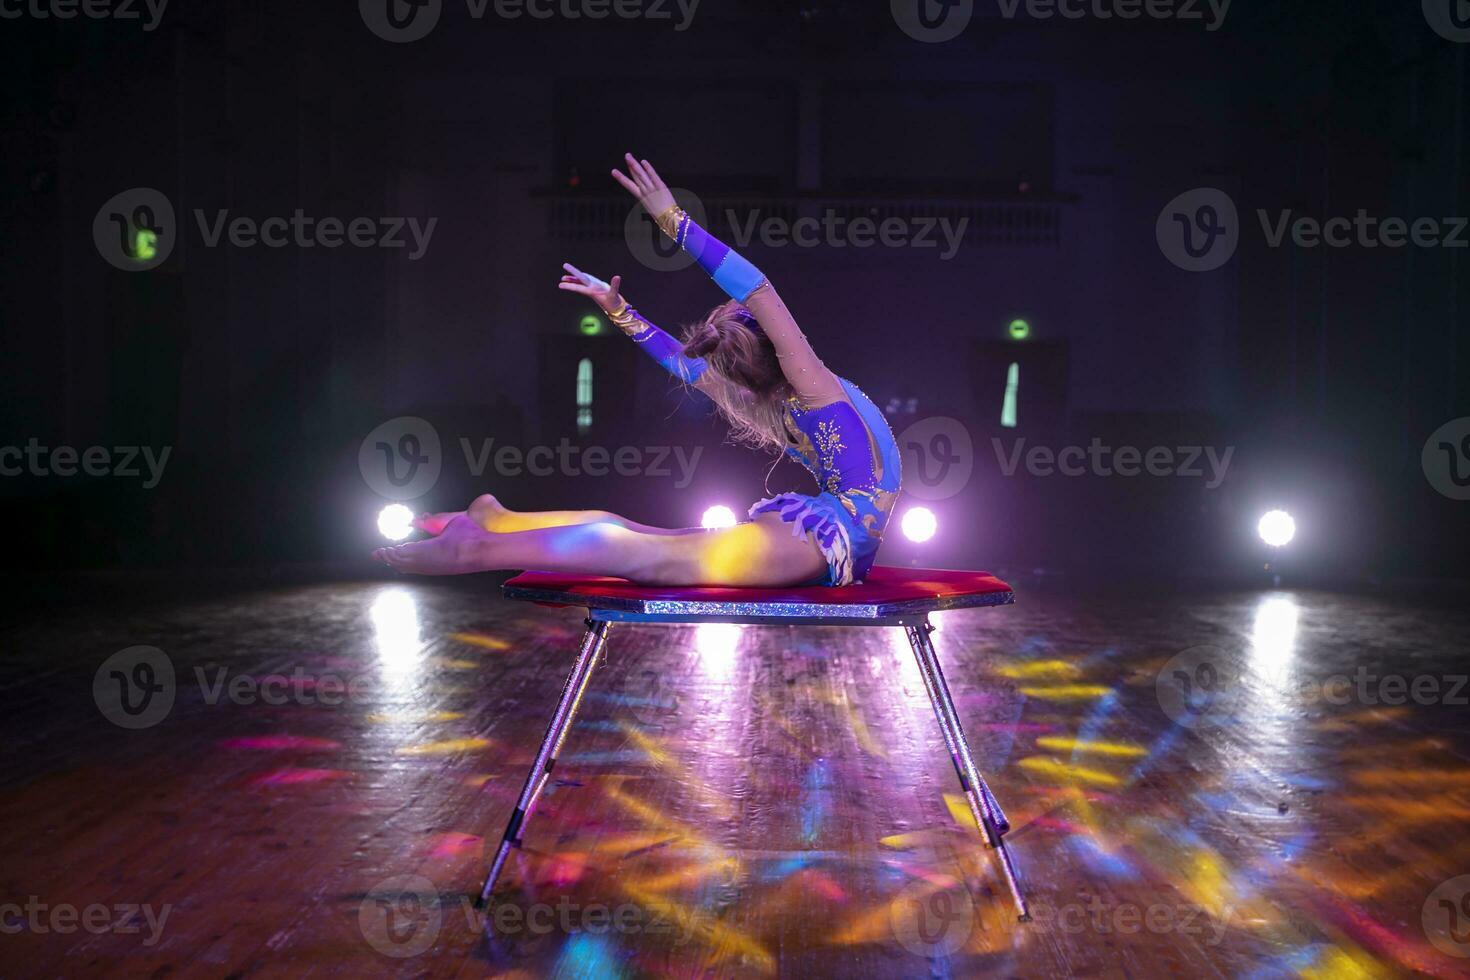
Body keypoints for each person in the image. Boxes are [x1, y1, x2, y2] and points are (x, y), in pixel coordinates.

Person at [374, 153, 901, 587]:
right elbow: (705, 348)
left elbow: (753, 297)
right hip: (821, 535)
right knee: (639, 551)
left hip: (820, 531)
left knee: (640, 546)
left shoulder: (810, 388)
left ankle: (491, 531)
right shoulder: (797, 395)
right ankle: (487, 538)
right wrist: (624, 303)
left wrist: (672, 224)